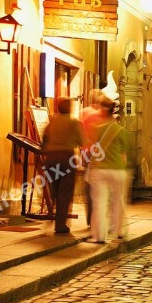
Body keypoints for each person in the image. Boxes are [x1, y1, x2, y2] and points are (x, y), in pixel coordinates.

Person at [86, 99, 128, 244]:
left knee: (99, 203)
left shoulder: (95, 128)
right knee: (118, 201)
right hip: (118, 170)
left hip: (100, 170)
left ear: (103, 109)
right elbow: (124, 154)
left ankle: (100, 236)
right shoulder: (120, 130)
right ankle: (120, 231)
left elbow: (90, 147)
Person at [42, 97, 86, 234]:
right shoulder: (74, 123)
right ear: (70, 108)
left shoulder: (52, 122)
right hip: (66, 158)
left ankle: (55, 216)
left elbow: (45, 138)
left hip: (51, 158)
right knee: (65, 192)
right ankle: (60, 225)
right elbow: (82, 140)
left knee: (55, 190)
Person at [80, 90, 111, 227]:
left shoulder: (86, 115)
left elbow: (83, 138)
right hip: (102, 157)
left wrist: (83, 155)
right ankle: (100, 219)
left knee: (90, 188)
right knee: (103, 189)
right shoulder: (106, 119)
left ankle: (91, 219)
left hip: (89, 155)